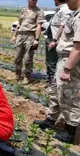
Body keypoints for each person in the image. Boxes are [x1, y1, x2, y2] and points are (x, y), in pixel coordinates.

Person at [34, 0, 80, 144]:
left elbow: (78, 47)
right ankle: (50, 120)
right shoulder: (74, 14)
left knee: (69, 96)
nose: (65, 2)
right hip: (63, 59)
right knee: (55, 91)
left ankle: (70, 131)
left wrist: (67, 69)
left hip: (70, 62)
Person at [12, 0, 44, 84]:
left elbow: (39, 26)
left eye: (35, 0)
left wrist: (36, 39)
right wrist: (14, 35)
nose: (34, 1)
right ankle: (17, 75)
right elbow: (19, 24)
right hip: (20, 35)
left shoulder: (39, 11)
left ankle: (27, 76)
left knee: (28, 58)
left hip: (30, 36)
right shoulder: (23, 10)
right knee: (17, 57)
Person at [44, 0, 72, 84]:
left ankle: (53, 84)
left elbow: (63, 26)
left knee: (53, 62)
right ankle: (50, 80)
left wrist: (55, 40)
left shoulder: (65, 9)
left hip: (54, 40)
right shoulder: (60, 9)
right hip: (50, 38)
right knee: (49, 61)